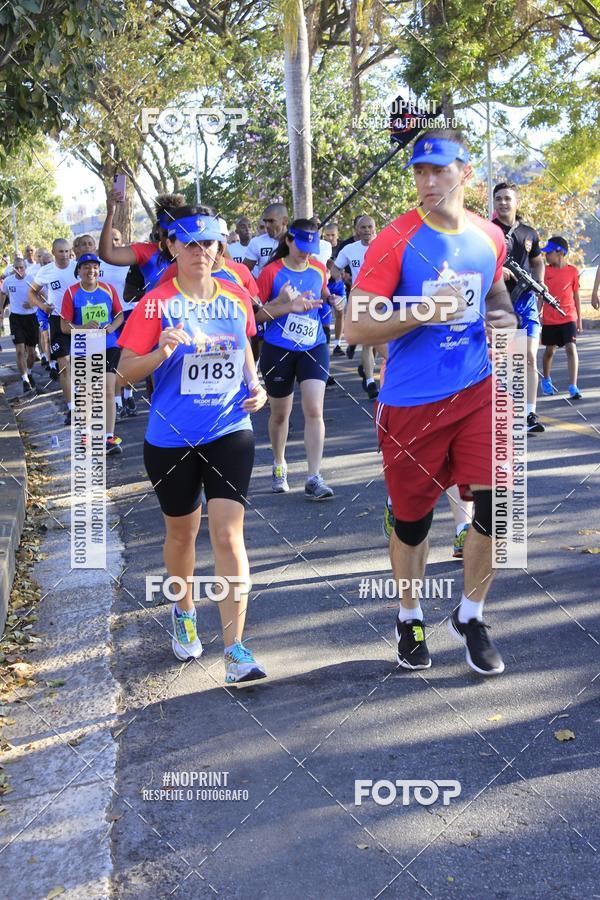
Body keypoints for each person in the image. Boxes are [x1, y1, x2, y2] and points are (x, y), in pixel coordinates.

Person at [347, 128, 518, 676]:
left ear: (466, 174)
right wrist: (422, 311)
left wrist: (505, 320)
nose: (427, 181)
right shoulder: (394, 240)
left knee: (498, 506)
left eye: (439, 170)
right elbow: (354, 324)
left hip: (477, 390)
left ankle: (470, 615)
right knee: (413, 522)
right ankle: (410, 614)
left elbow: (497, 300)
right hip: (412, 402)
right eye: (419, 171)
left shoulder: (491, 236)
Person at [117, 208, 268, 682]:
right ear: (172, 248)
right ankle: (184, 610)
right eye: (191, 244)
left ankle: (236, 649)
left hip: (229, 429)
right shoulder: (154, 304)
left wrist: (255, 383)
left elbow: (243, 345)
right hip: (170, 439)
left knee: (227, 535)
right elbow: (120, 374)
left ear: (219, 248)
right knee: (182, 535)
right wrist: (160, 352)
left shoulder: (236, 297)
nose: (201, 252)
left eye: (209, 244)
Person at [256, 219, 341, 499]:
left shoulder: (318, 269)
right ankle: (279, 463)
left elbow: (324, 294)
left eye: (311, 247)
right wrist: (283, 304)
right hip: (278, 349)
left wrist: (334, 301)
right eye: (301, 246)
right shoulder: (271, 273)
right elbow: (255, 315)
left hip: (312, 346)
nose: (306, 252)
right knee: (280, 414)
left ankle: (314, 476)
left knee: (314, 410)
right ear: (289, 240)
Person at [493, 182, 545, 434]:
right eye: (499, 198)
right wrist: (496, 271)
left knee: (529, 356)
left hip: (526, 303)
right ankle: (506, 414)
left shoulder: (529, 232)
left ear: (516, 202)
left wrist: (540, 285)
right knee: (506, 362)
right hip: (500, 304)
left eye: (507, 198)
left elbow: (538, 262)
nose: (503, 202)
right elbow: (476, 263)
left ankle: (530, 414)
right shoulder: (487, 232)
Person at [60, 253, 124, 454]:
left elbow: (119, 315)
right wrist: (83, 327)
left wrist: (112, 327)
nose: (91, 271)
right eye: (86, 267)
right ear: (78, 271)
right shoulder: (71, 293)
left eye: (94, 267)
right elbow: (64, 326)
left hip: (108, 345)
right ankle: (85, 435)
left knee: (108, 389)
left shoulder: (108, 290)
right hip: (84, 346)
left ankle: (108, 437)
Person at [332, 215, 383, 399]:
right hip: (360, 298)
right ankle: (370, 382)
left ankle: (365, 367)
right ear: (356, 230)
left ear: (375, 228)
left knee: (377, 341)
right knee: (368, 341)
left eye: (370, 226)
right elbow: (335, 268)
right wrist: (342, 278)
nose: (367, 230)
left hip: (382, 298)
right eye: (363, 227)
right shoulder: (350, 249)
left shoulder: (384, 245)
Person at [28, 238, 76, 420]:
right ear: (54, 252)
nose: (64, 255)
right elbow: (31, 292)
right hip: (57, 320)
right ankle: (71, 409)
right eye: (60, 252)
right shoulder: (45, 271)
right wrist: (42, 306)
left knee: (82, 366)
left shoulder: (78, 267)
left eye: (66, 251)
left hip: (79, 319)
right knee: (64, 366)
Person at [539, 236, 582, 399]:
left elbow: (576, 295)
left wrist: (579, 319)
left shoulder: (572, 271)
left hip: (568, 316)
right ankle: (547, 380)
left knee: (571, 348)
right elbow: (541, 296)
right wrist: (538, 314)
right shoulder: (545, 271)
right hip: (550, 319)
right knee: (549, 351)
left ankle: (573, 386)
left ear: (560, 253)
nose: (546, 256)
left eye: (549, 253)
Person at [1, 258, 40, 393]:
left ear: (25, 268)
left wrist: (32, 303)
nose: (19, 270)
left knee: (32, 353)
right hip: (16, 318)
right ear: (13, 269)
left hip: (31, 318)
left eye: (22, 267)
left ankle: (29, 372)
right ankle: (25, 380)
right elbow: (3, 293)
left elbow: (43, 295)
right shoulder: (8, 281)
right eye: (17, 267)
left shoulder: (32, 279)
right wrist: (1, 309)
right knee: (19, 350)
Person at [243, 203, 288, 275]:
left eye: (271, 221)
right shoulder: (257, 242)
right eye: (265, 221)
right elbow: (243, 272)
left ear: (285, 221)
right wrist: (255, 283)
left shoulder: (296, 241)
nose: (267, 225)